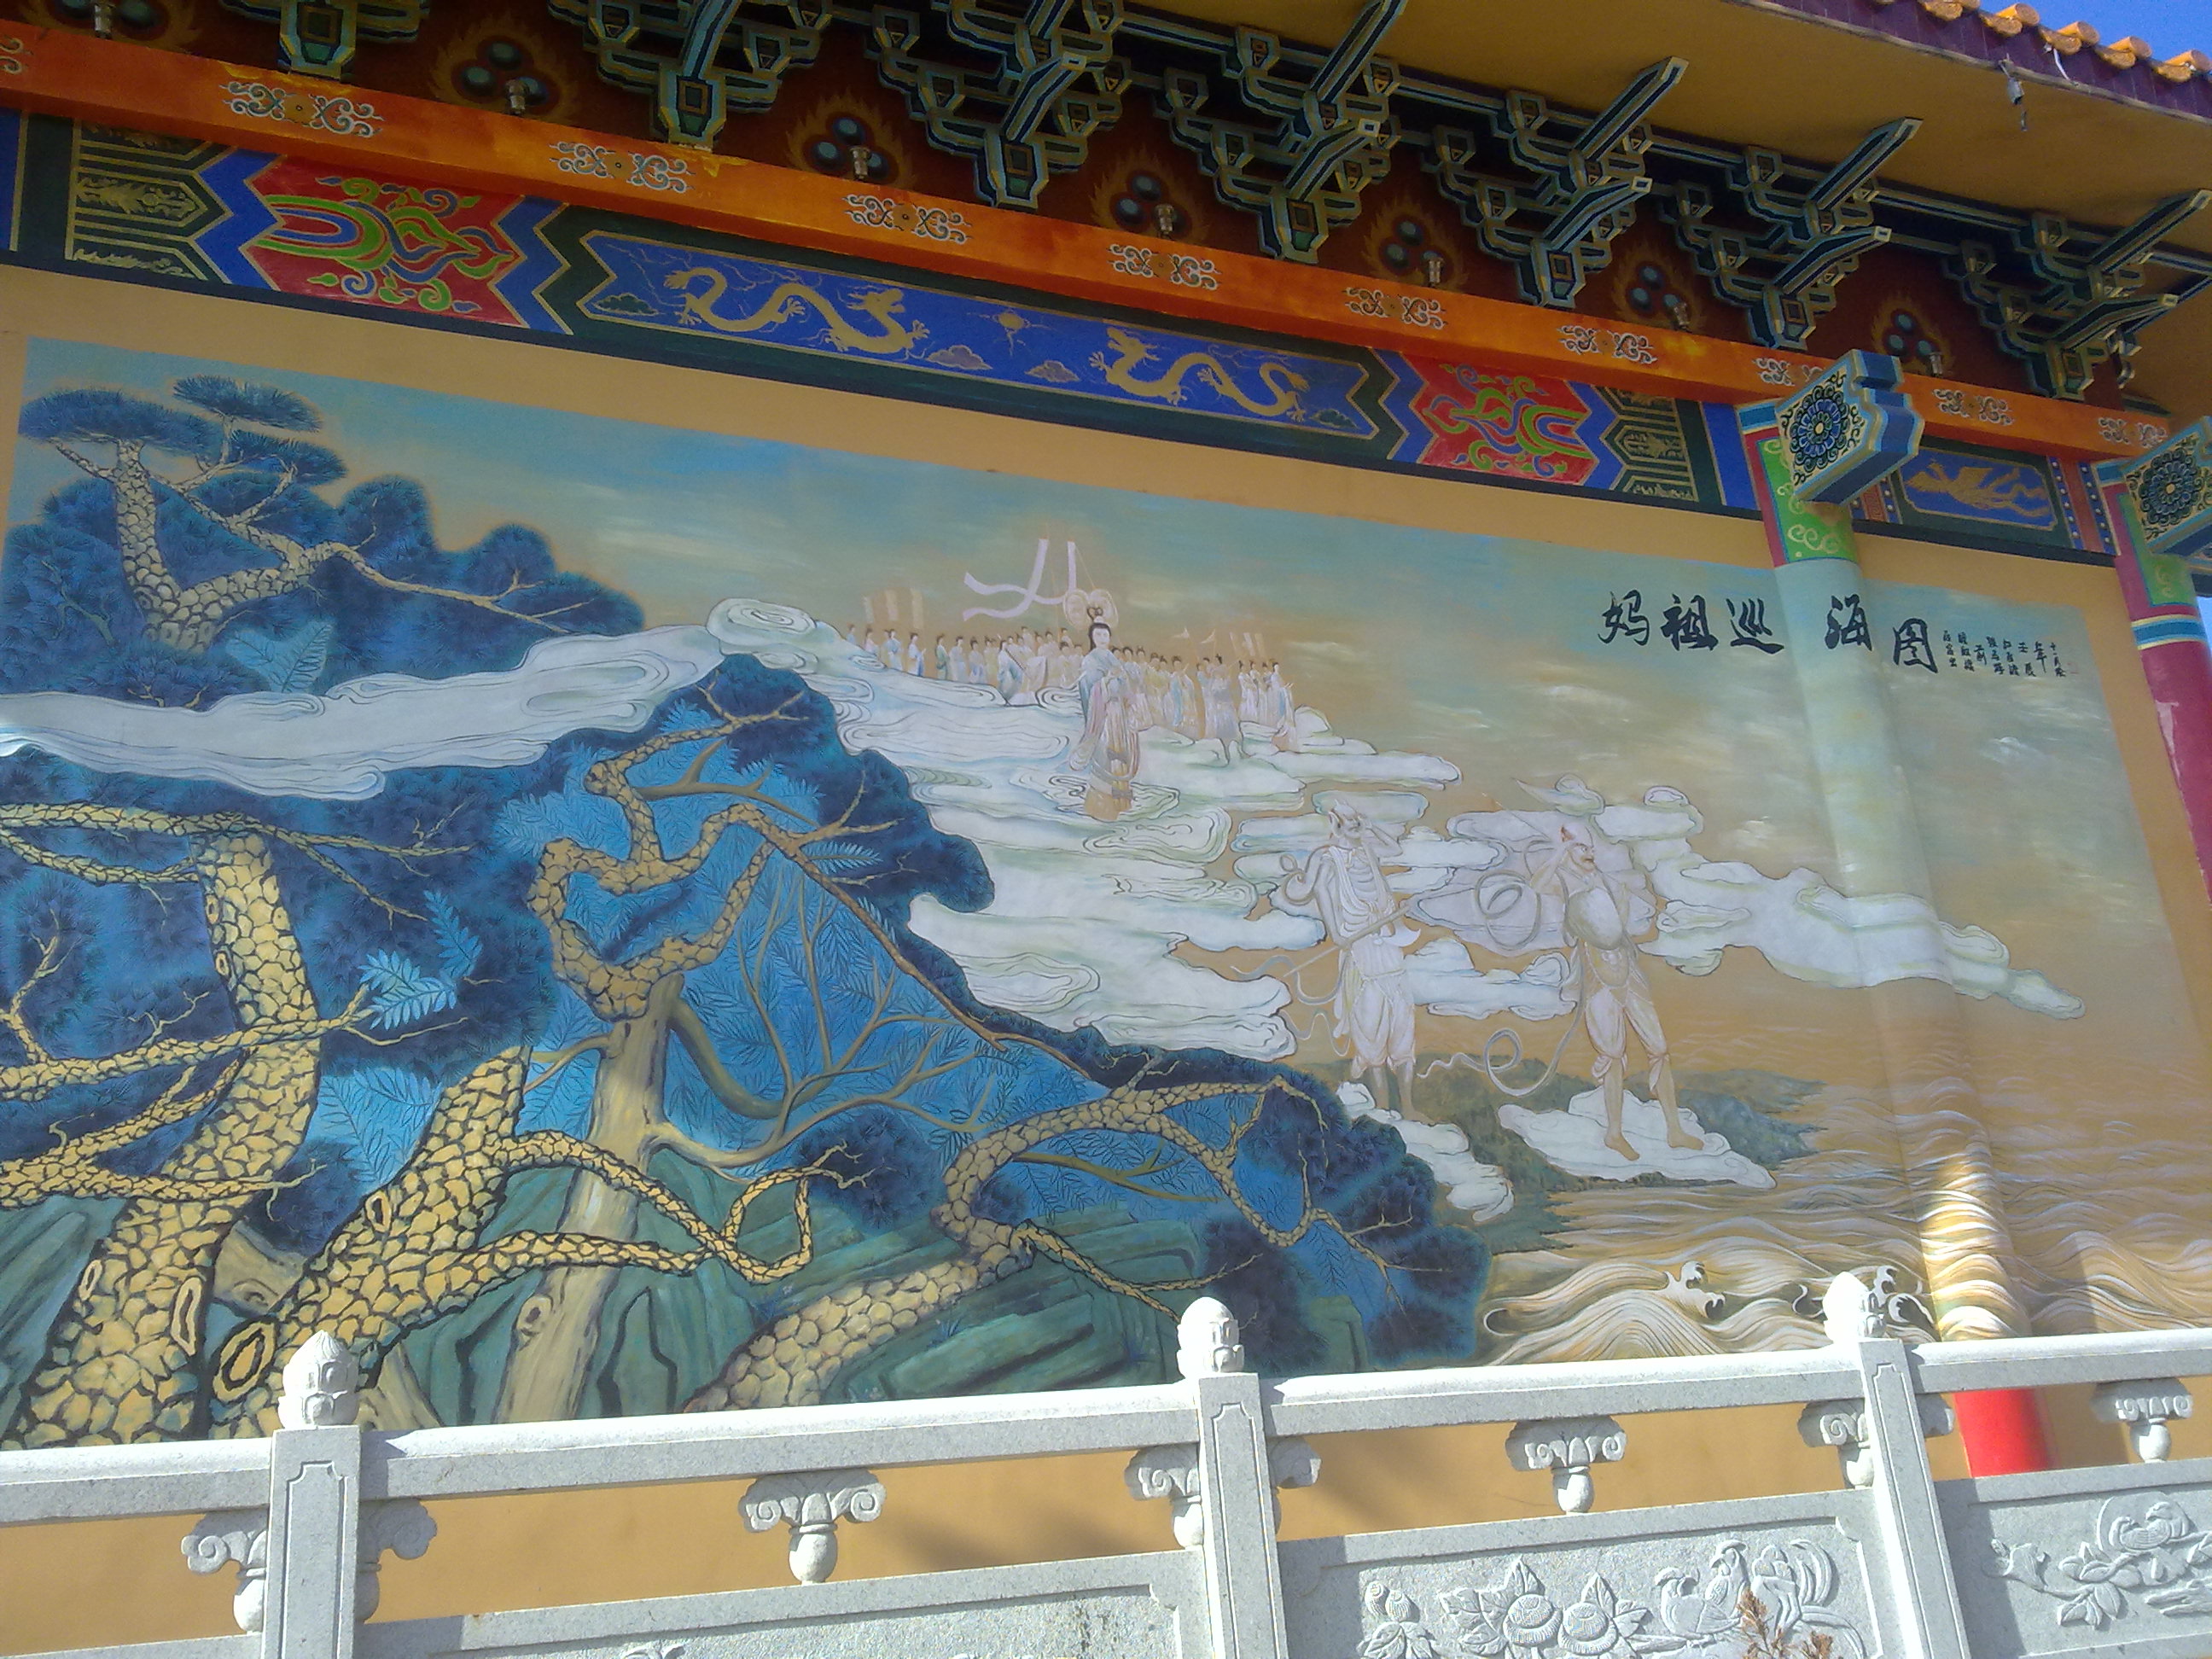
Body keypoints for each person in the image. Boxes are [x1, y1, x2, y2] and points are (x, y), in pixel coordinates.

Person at [1533, 824, 1702, 1163]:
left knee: (1659, 1048)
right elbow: (1535, 885)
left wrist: (1622, 907)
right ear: (1569, 850)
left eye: (1591, 847)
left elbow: (1613, 927)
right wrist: (1560, 851)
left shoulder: (1603, 879)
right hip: (1597, 975)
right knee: (1612, 1054)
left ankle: (1674, 1130)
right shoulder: (1563, 879)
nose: (1590, 853)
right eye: (1582, 847)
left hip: (1627, 971)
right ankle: (1614, 1133)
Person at [1281, 800, 1418, 1115]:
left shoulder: (1368, 850)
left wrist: (1372, 828)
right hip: (1362, 953)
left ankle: (1409, 1108)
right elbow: (1324, 897)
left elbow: (1395, 849)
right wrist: (1338, 935)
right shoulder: (1330, 860)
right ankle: (1383, 1108)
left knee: (1403, 1027)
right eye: (1350, 820)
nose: (1356, 823)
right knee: (1371, 1031)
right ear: (1336, 824)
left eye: (1358, 819)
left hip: (1390, 947)